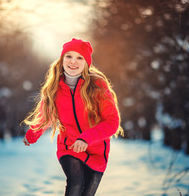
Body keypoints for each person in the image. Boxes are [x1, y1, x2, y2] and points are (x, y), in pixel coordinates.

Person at [22, 38, 123, 196]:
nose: (73, 62)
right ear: (62, 59)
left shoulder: (98, 86)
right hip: (69, 146)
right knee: (76, 183)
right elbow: (44, 116)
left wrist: (86, 138)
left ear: (86, 63)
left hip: (97, 151)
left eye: (79, 57)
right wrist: (32, 135)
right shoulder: (54, 88)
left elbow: (112, 122)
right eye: (69, 56)